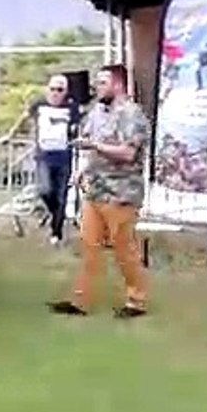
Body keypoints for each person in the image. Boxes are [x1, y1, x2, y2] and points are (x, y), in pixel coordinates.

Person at [48, 64, 150, 318]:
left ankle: (136, 301)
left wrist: (96, 145)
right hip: (95, 190)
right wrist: (81, 169)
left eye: (103, 82)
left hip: (121, 192)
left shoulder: (133, 115)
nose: (97, 87)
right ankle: (80, 301)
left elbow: (128, 153)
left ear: (118, 84)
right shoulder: (96, 113)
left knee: (123, 249)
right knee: (90, 246)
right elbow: (88, 144)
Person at [6, 75, 82, 244]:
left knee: (61, 195)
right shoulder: (39, 105)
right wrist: (11, 134)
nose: (55, 93)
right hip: (44, 156)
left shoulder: (72, 107)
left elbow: (78, 128)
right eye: (53, 89)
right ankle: (54, 213)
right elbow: (24, 118)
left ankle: (56, 233)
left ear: (66, 92)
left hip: (64, 157)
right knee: (44, 190)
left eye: (60, 90)